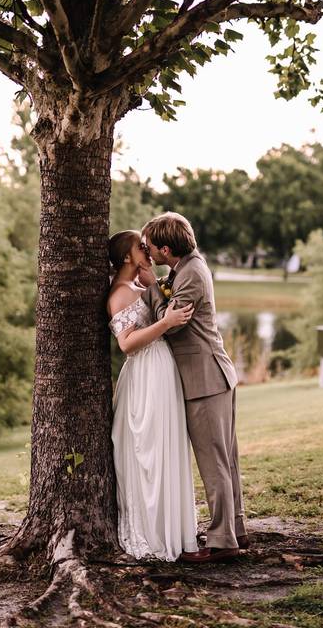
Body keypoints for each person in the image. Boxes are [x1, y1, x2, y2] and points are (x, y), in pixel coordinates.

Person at [142, 212, 249, 563]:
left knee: (214, 462)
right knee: (224, 460)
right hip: (213, 376)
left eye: (151, 247)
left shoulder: (191, 275)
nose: (148, 252)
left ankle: (222, 543)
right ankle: (234, 530)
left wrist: (152, 288)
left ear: (166, 248)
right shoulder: (187, 266)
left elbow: (169, 324)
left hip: (205, 379)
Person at [107, 229, 199, 561]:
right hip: (144, 374)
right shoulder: (118, 294)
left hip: (163, 370)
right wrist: (167, 322)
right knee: (145, 449)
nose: (147, 250)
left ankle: (172, 527)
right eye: (140, 247)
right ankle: (151, 531)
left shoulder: (140, 284)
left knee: (167, 446)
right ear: (127, 257)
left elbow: (161, 295)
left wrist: (149, 277)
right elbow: (127, 343)